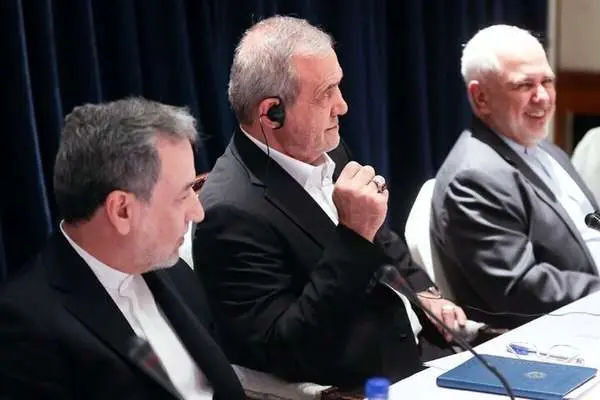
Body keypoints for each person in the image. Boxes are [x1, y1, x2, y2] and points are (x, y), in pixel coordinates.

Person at [192, 15, 466, 389]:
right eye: (326, 93)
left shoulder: (326, 148)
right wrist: (352, 236)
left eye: (339, 86)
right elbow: (284, 348)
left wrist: (425, 293)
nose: (343, 105)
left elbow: (381, 237)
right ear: (272, 113)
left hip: (424, 355)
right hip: (359, 386)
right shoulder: (229, 212)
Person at [0, 98, 245, 399]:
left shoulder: (174, 271)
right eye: (184, 195)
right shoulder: (26, 324)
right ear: (122, 211)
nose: (198, 213)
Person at [430, 24, 600, 329]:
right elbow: (520, 289)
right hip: (555, 334)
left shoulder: (543, 148)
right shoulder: (474, 178)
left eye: (547, 81)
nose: (543, 97)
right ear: (481, 98)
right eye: (524, 85)